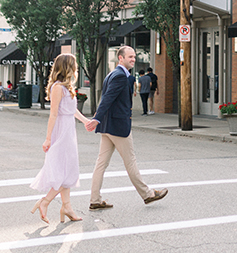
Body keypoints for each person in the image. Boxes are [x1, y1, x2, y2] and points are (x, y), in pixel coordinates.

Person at [86, 45, 168, 209]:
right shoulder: (120, 76)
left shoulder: (112, 74)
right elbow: (107, 99)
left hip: (109, 126)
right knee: (130, 162)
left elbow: (107, 99)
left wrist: (99, 119)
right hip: (117, 127)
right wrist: (96, 118)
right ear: (120, 58)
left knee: (101, 163)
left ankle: (95, 200)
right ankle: (148, 194)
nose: (133, 59)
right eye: (130, 57)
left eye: (134, 57)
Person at [30, 53, 93, 224]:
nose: (76, 68)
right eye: (74, 64)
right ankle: (45, 202)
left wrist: (87, 121)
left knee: (68, 170)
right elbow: (53, 114)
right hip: (61, 132)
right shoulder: (58, 87)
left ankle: (67, 207)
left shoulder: (67, 87)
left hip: (69, 130)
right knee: (62, 171)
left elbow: (72, 111)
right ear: (67, 67)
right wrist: (48, 138)